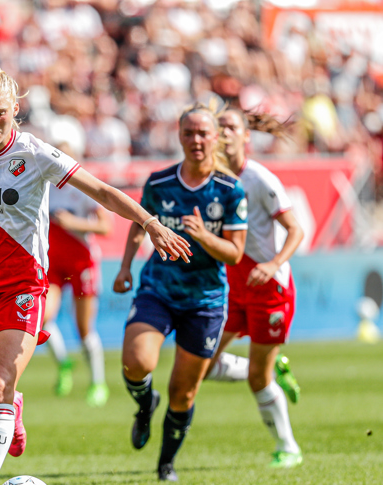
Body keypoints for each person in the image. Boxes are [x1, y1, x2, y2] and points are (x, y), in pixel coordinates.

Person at [0, 65, 191, 485]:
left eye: (1, 113)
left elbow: (101, 191)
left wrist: (151, 223)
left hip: (21, 287)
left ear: (15, 109)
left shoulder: (35, 153)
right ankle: (14, 408)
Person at [113, 102, 249, 482]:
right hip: (158, 289)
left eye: (203, 133)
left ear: (216, 137)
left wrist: (205, 236)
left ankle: (165, 465)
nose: (196, 140)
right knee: (136, 363)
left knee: (183, 393)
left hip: (205, 301)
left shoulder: (230, 190)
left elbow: (236, 254)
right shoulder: (159, 182)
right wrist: (125, 266)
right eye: (188, 133)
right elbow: (141, 223)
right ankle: (144, 406)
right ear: (179, 136)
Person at [202, 107, 304, 468]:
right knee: (201, 363)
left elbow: (296, 229)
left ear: (247, 136)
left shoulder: (260, 179)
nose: (224, 132)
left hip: (269, 287)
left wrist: (273, 264)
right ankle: (271, 368)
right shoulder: (211, 179)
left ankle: (288, 447)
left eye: (231, 126)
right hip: (233, 288)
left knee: (256, 380)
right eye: (220, 127)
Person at [42, 144, 113, 407]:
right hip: (53, 263)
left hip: (82, 262)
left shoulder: (84, 187)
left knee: (84, 330)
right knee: (42, 319)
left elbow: (106, 226)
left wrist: (74, 224)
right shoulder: (44, 186)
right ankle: (64, 364)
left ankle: (98, 382)